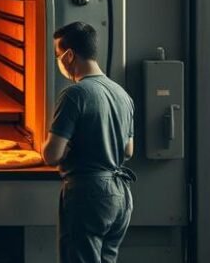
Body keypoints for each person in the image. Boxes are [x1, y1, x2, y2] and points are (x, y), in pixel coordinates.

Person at [42, 22, 136, 263]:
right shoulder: (121, 94)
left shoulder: (75, 94)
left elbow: (52, 155)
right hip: (119, 195)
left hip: (88, 192)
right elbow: (128, 150)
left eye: (57, 55)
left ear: (69, 55)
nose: (59, 62)